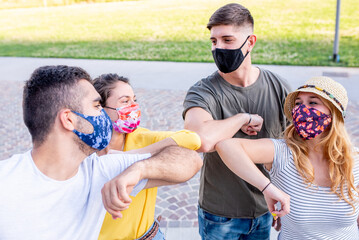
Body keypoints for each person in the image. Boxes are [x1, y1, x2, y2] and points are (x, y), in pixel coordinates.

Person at [0, 65, 202, 239]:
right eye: (97, 106)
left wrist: (139, 170)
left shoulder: (100, 170)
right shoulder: (6, 184)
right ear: (69, 119)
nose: (103, 117)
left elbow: (190, 160)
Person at [182, 3, 291, 239]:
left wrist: (286, 199)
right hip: (220, 214)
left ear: (250, 42)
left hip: (265, 209)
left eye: (227, 40)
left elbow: (295, 149)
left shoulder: (278, 87)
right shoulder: (202, 92)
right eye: (214, 41)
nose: (218, 48)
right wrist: (242, 118)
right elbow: (200, 140)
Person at [216, 76, 359, 239]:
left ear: (334, 113)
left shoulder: (355, 160)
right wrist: (267, 189)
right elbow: (225, 146)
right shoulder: (282, 152)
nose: (302, 109)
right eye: (298, 103)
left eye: (313, 102)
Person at [92, 73, 201, 240]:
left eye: (134, 100)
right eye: (125, 101)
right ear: (101, 108)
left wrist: (132, 158)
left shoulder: (141, 137)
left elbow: (192, 139)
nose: (133, 106)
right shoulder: (84, 148)